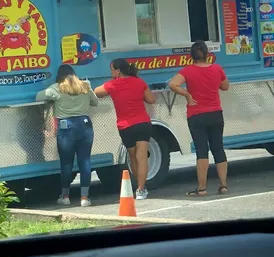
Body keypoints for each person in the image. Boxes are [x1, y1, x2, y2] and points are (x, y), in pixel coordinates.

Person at [169, 40, 230, 197]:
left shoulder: (187, 71)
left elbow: (173, 84)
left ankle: (202, 188)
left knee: (202, 150)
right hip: (216, 113)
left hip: (196, 115)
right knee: (218, 148)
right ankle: (223, 185)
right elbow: (225, 86)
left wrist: (187, 94)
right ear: (207, 54)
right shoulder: (217, 69)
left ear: (191, 56)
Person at [36, 65, 98, 207]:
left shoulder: (56, 88)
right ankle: (84, 198)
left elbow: (38, 96)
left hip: (66, 128)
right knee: (85, 161)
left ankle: (65, 196)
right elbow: (95, 102)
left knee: (66, 163)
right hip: (85, 126)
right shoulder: (85, 86)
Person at [94, 58, 156, 200]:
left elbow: (96, 92)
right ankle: (141, 189)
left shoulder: (112, 85)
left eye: (112, 70)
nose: (111, 72)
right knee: (142, 157)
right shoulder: (139, 82)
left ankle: (138, 187)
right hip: (143, 123)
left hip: (125, 126)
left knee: (133, 157)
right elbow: (151, 99)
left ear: (118, 71)